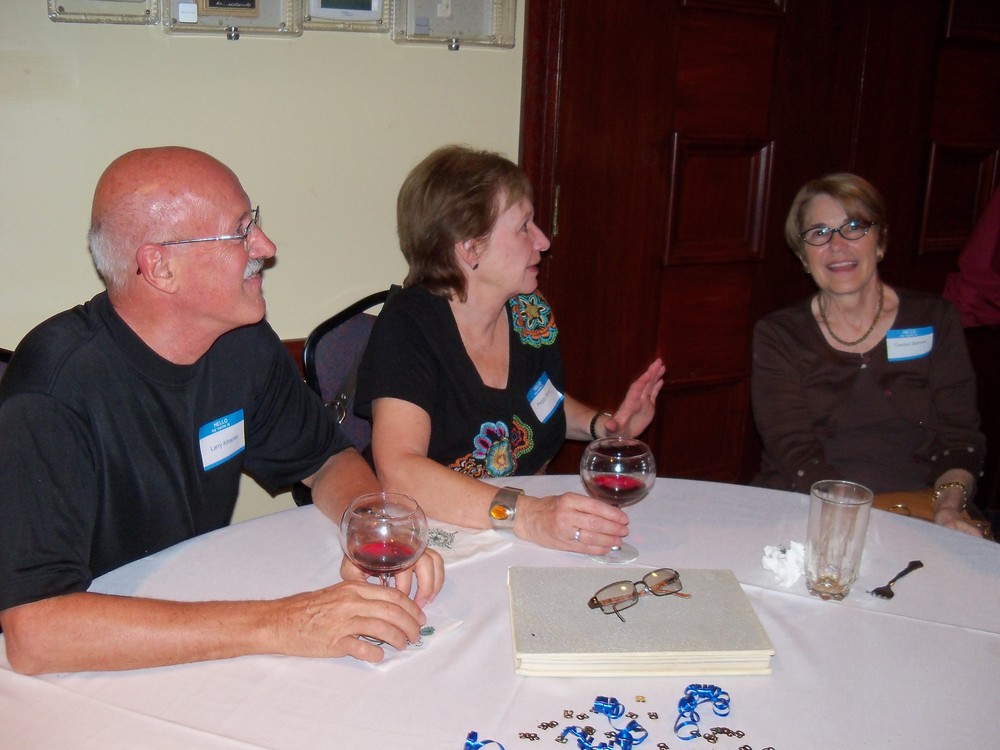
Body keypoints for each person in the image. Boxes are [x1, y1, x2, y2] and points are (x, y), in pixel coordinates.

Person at [0, 147, 444, 675]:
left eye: (253, 222)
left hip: (188, 616)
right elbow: (35, 631)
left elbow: (325, 461)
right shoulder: (51, 395)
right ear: (160, 267)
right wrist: (284, 624)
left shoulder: (241, 343)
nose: (267, 247)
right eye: (239, 232)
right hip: (86, 664)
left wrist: (368, 529)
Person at [355, 145, 665, 553]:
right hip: (431, 540)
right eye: (523, 227)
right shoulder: (410, 326)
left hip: (516, 532)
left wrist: (605, 427)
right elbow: (400, 472)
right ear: (469, 247)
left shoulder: (529, 314)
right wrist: (530, 515)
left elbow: (538, 401)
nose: (543, 241)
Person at [751, 172, 987, 537]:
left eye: (854, 227)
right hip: (808, 507)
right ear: (803, 255)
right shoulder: (779, 335)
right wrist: (861, 516)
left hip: (924, 507)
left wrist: (948, 505)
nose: (837, 245)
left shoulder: (934, 319)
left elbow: (961, 439)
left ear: (880, 241)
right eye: (819, 232)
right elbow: (794, 451)